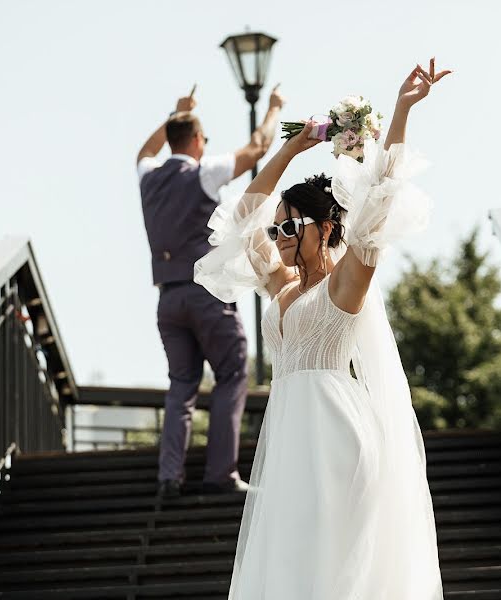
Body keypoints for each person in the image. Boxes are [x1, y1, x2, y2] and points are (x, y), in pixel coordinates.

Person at [194, 59, 451, 598]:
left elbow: (378, 205)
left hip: (338, 439)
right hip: (289, 442)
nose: (281, 235)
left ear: (328, 227)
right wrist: (289, 149)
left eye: (293, 225)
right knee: (292, 571)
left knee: (331, 573)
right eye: (280, 225)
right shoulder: (281, 286)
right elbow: (243, 219)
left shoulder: (344, 287)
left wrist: (401, 111)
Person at [137, 85, 285, 500]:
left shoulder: (147, 176)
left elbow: (143, 152)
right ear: (199, 141)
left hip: (167, 298)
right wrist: (274, 108)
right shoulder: (203, 171)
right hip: (206, 294)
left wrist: (176, 113)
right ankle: (220, 474)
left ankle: (170, 476)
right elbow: (257, 148)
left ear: (170, 138)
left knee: (181, 383)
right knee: (233, 372)